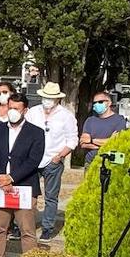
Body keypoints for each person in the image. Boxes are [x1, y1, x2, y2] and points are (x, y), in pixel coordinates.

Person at [0, 93, 44, 257]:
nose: (13, 112)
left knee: (27, 231)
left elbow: (33, 160)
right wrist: (0, 177)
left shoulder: (36, 132)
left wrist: (12, 178)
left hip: (23, 186)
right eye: (10, 107)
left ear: (25, 110)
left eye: (17, 108)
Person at [24, 82, 78, 243]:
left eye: (50, 98)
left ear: (57, 99)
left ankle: (47, 228)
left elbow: (72, 139)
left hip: (53, 160)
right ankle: (23, 226)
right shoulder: (33, 113)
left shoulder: (66, 116)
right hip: (33, 159)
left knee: (51, 196)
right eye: (45, 97)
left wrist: (59, 156)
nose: (47, 100)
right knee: (27, 194)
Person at [81, 91, 128, 164]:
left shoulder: (119, 120)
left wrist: (91, 140)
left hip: (111, 163)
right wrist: (107, 143)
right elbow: (83, 144)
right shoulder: (90, 120)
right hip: (91, 162)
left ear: (109, 103)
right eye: (95, 103)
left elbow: (115, 143)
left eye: (100, 102)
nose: (97, 104)